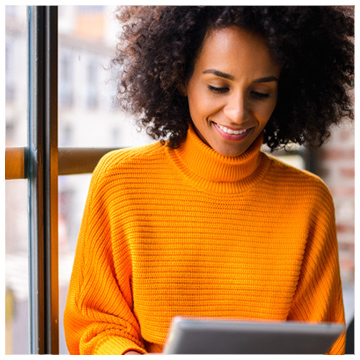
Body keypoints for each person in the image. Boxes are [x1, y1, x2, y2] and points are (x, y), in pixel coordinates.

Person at [63, 6, 354, 355]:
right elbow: (95, 322)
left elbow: (323, 344)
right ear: (180, 77)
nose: (238, 113)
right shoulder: (120, 181)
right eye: (218, 86)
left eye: (260, 93)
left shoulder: (309, 200)